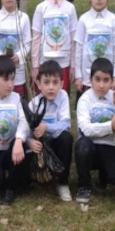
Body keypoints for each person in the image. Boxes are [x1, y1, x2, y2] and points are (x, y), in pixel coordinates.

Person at [74, 58, 115, 203]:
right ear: (90, 80)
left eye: (106, 80)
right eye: (97, 79)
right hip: (89, 146)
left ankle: (103, 177)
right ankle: (83, 185)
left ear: (112, 81)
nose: (101, 85)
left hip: (108, 145)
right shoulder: (85, 99)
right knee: (83, 147)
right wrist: (110, 126)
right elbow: (85, 129)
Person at [0, 55, 29, 206]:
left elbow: (23, 121)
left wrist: (18, 141)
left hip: (12, 149)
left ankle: (10, 189)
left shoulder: (17, 98)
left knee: (21, 147)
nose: (10, 84)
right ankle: (3, 178)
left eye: (13, 79)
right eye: (5, 79)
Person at [26, 60, 74, 202]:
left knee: (66, 138)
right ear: (38, 84)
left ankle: (62, 182)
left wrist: (47, 127)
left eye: (55, 82)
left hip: (55, 144)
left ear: (61, 84)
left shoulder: (63, 96)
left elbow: (66, 124)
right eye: (46, 82)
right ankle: (36, 176)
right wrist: (29, 142)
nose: (51, 87)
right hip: (39, 147)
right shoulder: (33, 103)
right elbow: (25, 132)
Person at [73, 0, 115, 108]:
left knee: (106, 110)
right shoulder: (84, 20)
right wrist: (78, 76)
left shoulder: (113, 20)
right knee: (86, 109)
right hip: (87, 78)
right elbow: (78, 49)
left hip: (106, 79)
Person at [32, 0, 77, 94]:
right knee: (44, 98)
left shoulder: (70, 8)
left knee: (61, 98)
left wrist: (73, 65)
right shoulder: (41, 8)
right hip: (44, 63)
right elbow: (36, 38)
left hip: (63, 64)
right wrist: (35, 65)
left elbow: (74, 39)